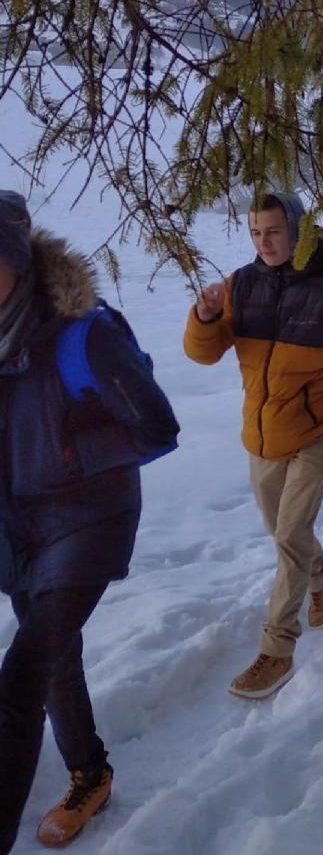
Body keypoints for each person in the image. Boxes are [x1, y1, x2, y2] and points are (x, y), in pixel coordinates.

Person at [0, 192, 179, 852]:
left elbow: (156, 425)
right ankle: (90, 775)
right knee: (53, 657)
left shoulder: (83, 334)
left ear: (17, 259)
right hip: (19, 528)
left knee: (18, 681)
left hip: (88, 519)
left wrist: (72, 453)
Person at [184, 191, 323, 700]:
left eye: (273, 231)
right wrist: (205, 318)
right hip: (262, 435)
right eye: (255, 232)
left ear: (297, 229)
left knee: (291, 532)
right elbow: (203, 355)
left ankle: (276, 649)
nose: (264, 242)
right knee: (284, 533)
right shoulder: (242, 284)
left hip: (316, 433)